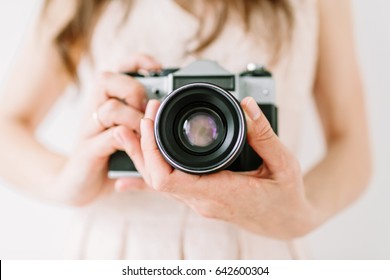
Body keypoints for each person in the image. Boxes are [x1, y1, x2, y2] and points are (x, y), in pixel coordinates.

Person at [0, 0, 371, 259]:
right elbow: (7, 126)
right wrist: (64, 180)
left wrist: (299, 213)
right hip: (118, 247)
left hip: (263, 248)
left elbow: (351, 143)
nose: (200, 130)